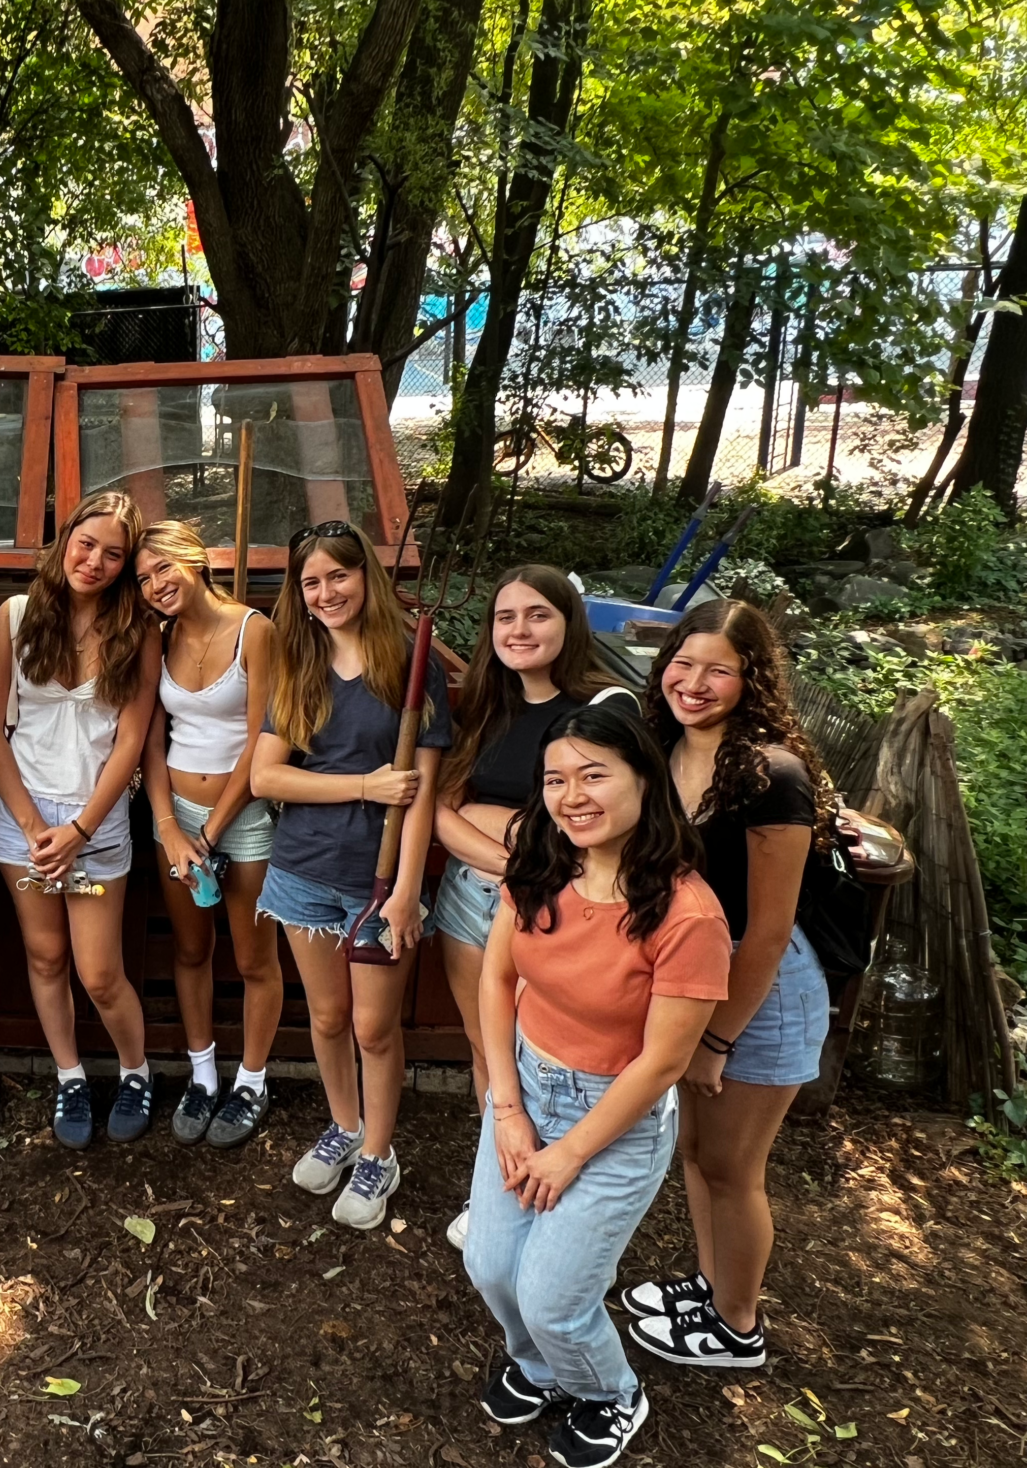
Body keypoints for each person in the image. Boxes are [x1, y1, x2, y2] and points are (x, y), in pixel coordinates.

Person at [465, 705, 729, 1468]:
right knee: (490, 1265)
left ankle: (611, 1393)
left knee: (554, 1295)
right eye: (555, 778)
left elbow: (661, 1064)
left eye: (594, 775)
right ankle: (545, 1367)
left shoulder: (687, 914)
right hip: (527, 1089)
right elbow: (496, 977)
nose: (571, 795)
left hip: (616, 1118)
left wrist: (570, 1152)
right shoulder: (540, 867)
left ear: (644, 779)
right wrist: (508, 1111)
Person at [619, 600, 837, 1370]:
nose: (696, 682)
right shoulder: (665, 747)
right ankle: (711, 1287)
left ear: (751, 678)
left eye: (719, 669)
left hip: (759, 991)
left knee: (734, 1167)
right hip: (695, 973)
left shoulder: (769, 774)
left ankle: (737, 1327)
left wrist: (716, 1039)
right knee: (694, 1150)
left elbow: (771, 931)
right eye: (684, 662)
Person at [434, 567, 638, 1250]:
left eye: (538, 615)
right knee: (486, 1050)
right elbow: (442, 811)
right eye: (506, 618)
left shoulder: (605, 706)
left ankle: (548, 1195)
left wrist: (510, 843)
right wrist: (507, 849)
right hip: (470, 898)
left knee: (539, 1057)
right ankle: (495, 1192)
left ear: (569, 622)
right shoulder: (489, 708)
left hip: (548, 911)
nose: (519, 630)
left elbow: (581, 821)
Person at [249, 520, 445, 1229]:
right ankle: (344, 1124)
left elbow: (419, 798)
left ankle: (380, 1153)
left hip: (377, 881)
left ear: (366, 577)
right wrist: (362, 785)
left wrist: (403, 893)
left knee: (372, 1029)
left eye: (339, 576)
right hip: (301, 871)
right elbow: (265, 775)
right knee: (327, 1018)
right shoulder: (299, 670)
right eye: (311, 582)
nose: (326, 592)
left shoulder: (410, 669)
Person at [0, 490, 160, 1150]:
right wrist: (32, 829)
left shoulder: (139, 631)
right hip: (20, 819)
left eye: (114, 554)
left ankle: (136, 1072)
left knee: (100, 973)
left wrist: (79, 829)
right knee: (46, 957)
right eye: (87, 544)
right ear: (65, 540)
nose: (96, 561)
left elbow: (132, 740)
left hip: (96, 818)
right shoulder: (17, 617)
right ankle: (70, 1074)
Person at [135, 519, 281, 1149]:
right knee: (191, 949)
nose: (155, 584)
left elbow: (261, 743)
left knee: (252, 958)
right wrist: (170, 827)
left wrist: (213, 830)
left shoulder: (254, 629)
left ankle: (251, 1080)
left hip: (241, 819)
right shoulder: (157, 638)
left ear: (195, 560)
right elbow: (150, 737)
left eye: (164, 567)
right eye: (143, 578)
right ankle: (202, 1073)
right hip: (178, 820)